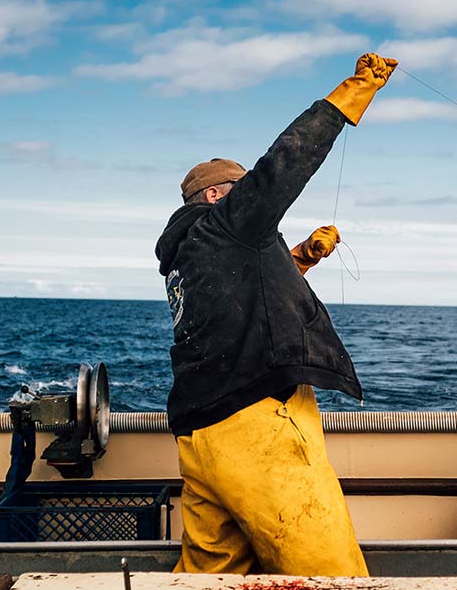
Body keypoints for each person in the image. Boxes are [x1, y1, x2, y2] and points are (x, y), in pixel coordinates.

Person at [155, 53, 398, 576]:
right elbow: (283, 165)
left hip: (201, 439)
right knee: (329, 573)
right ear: (218, 196)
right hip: (255, 427)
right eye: (239, 191)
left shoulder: (188, 254)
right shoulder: (225, 224)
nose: (250, 199)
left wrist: (303, 257)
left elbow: (241, 298)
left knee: (210, 577)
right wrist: (354, 92)